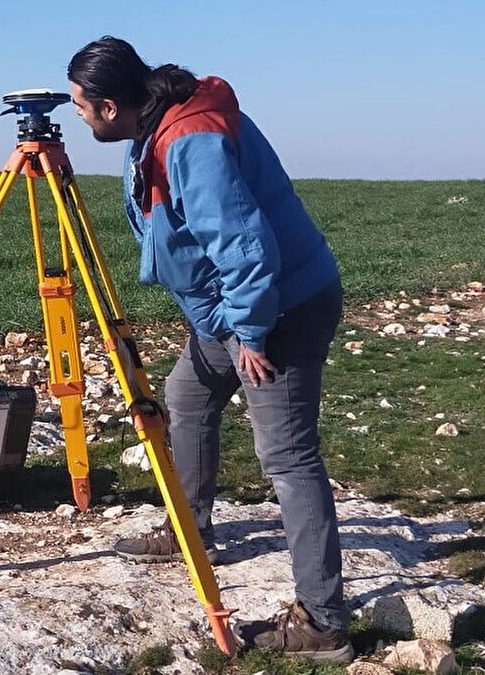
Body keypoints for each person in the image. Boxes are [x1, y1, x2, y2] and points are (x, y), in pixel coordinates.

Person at [66, 36, 352, 663]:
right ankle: (188, 529)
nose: (77, 117)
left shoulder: (190, 138)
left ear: (111, 106)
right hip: (234, 308)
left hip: (279, 307)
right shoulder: (155, 125)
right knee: (187, 395)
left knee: (288, 457)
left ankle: (324, 622)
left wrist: (250, 332)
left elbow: (244, 244)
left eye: (81, 107)